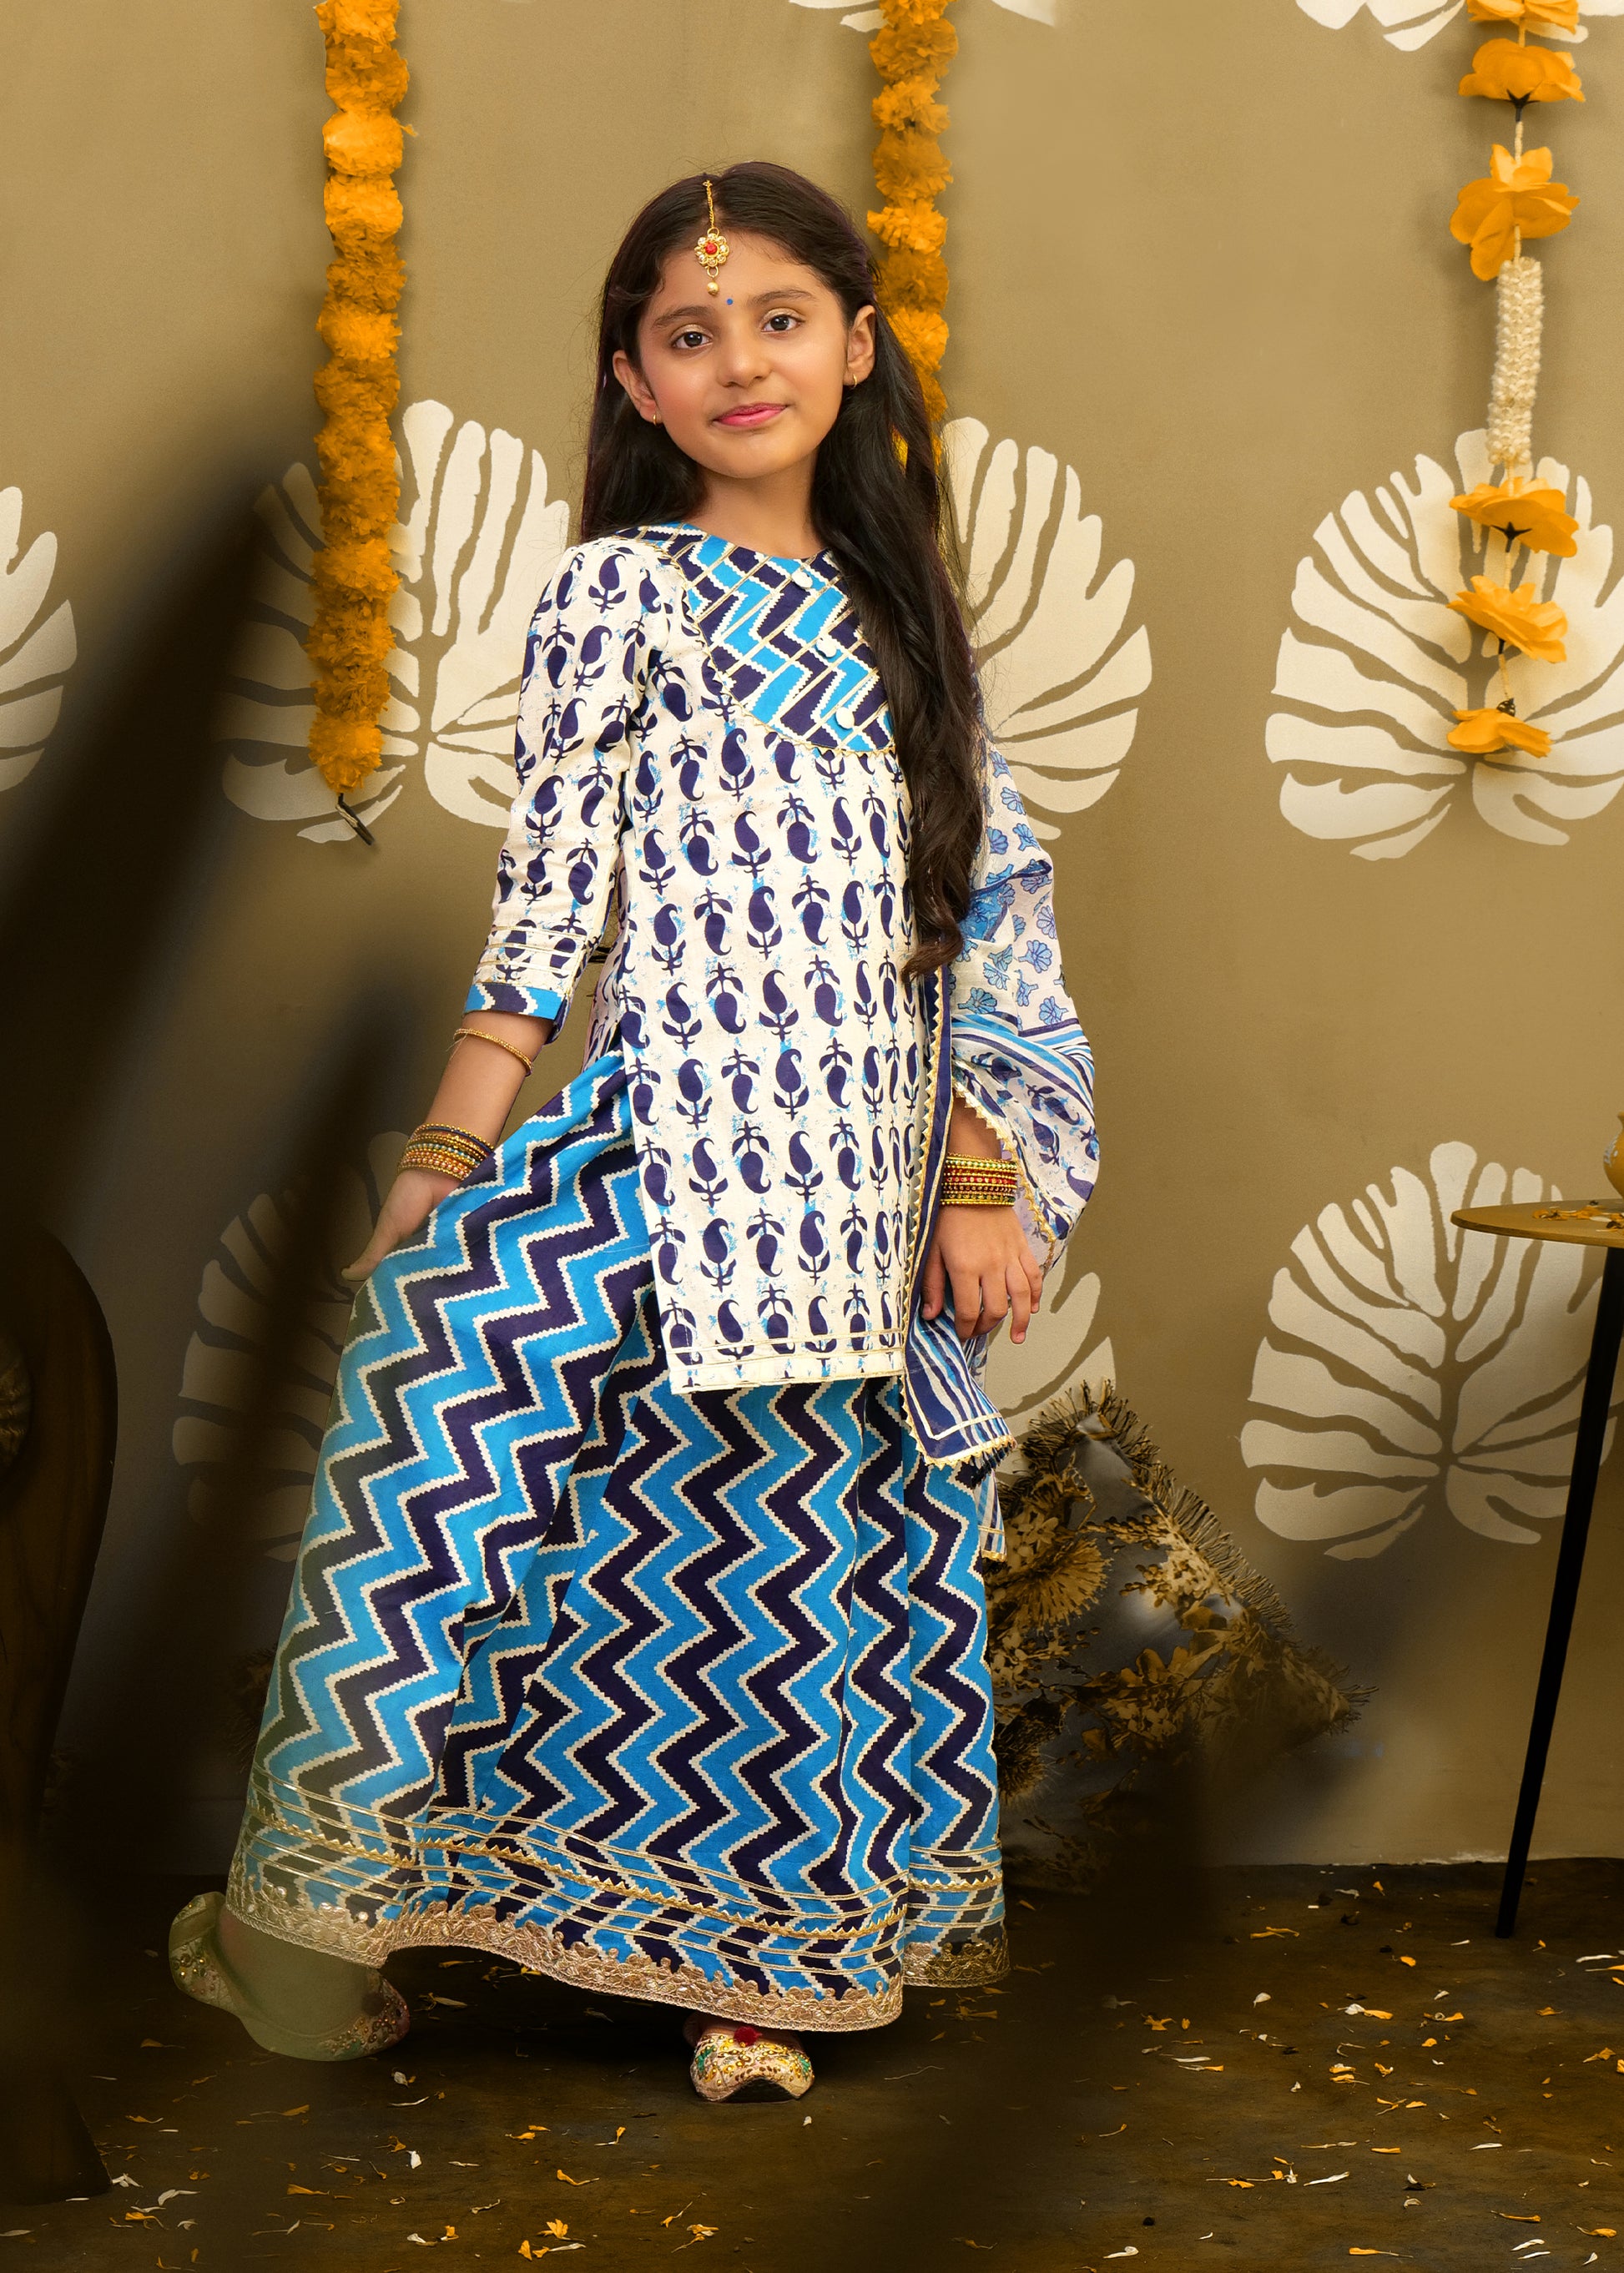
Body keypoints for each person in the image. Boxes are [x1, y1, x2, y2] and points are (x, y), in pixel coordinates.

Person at [169, 162, 1097, 2103]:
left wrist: (982, 1176)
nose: (738, 359)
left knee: (804, 1559)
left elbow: (989, 925)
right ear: (636, 382)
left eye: (777, 318)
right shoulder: (625, 591)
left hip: (869, 1177)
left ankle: (768, 1963)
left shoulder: (904, 622)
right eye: (691, 334)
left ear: (856, 346)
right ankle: (314, 1923)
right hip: (666, 1144)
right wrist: (439, 1172)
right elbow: (546, 906)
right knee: (451, 1430)